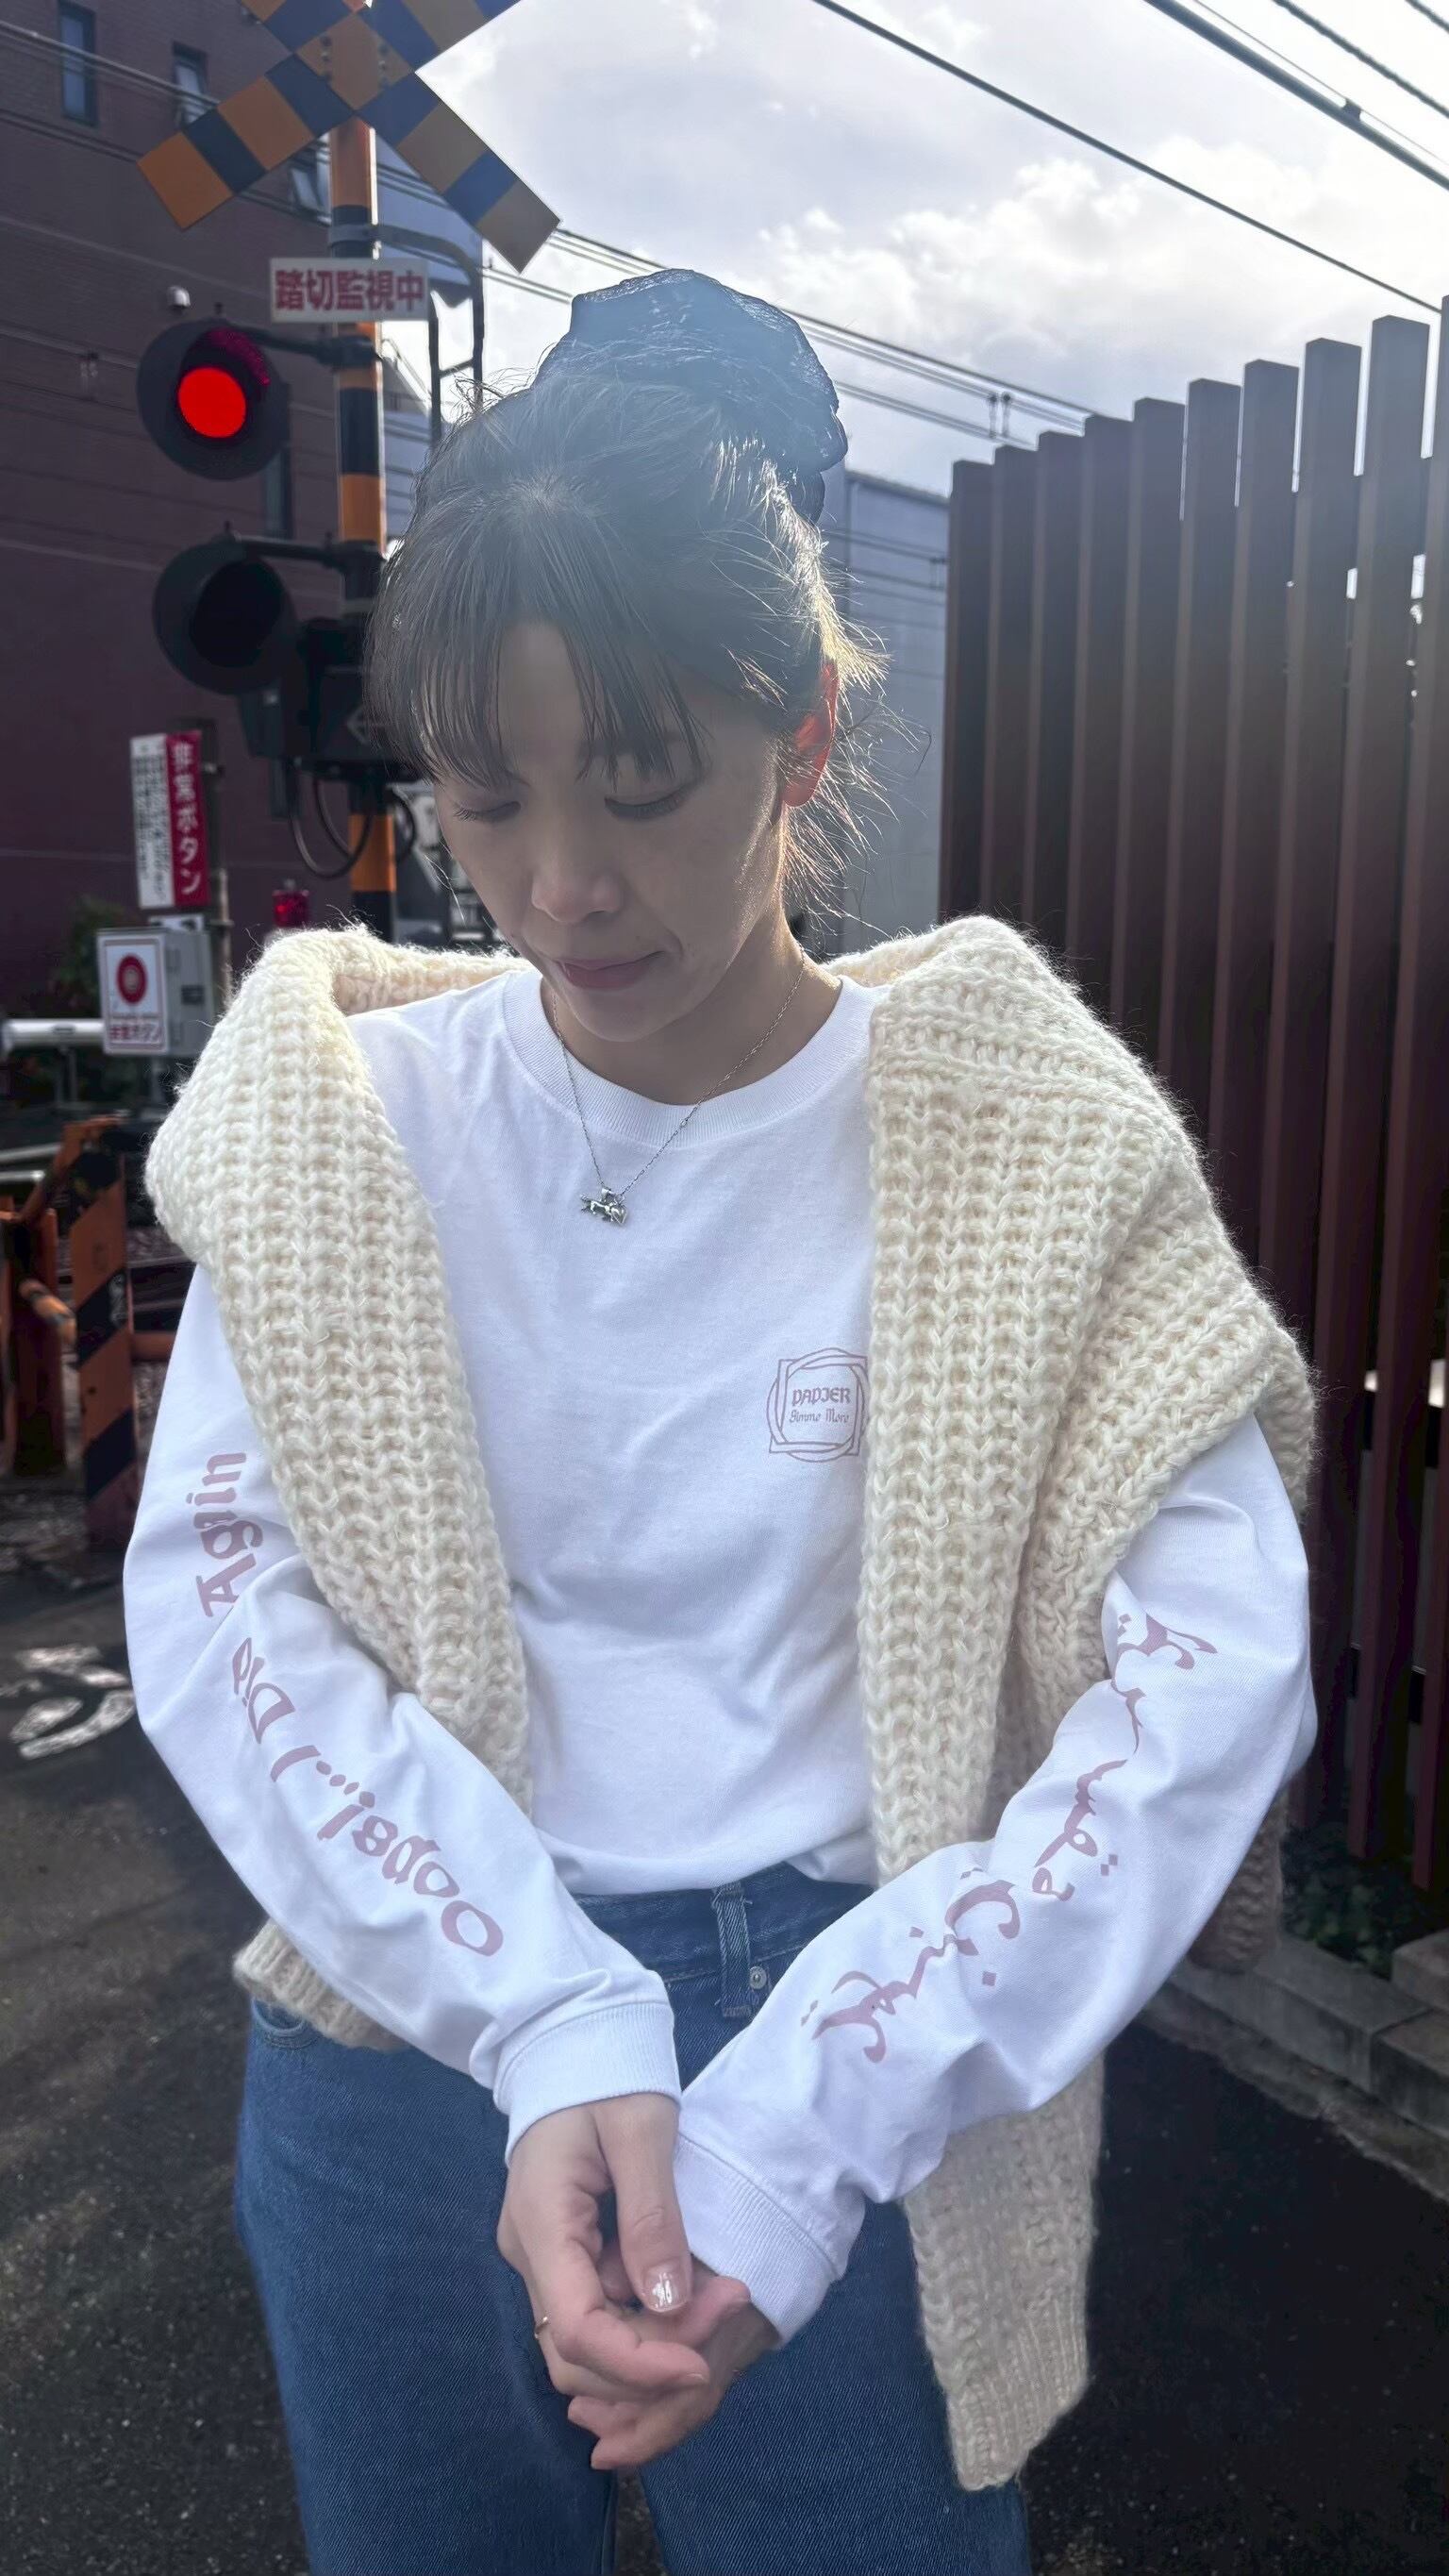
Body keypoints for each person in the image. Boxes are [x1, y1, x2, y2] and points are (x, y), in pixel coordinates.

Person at [122, 270, 1321, 2576]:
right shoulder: (336, 1128)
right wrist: (544, 2010)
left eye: (647, 780)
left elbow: (1208, 1677)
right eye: (488, 797)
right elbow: (227, 1605)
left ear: (806, 728)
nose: (563, 883)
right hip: (401, 2052)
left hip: (854, 2031)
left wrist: (809, 2112)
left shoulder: (1033, 1149)